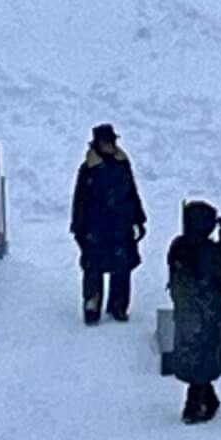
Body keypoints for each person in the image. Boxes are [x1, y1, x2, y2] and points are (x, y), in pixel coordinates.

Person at [168, 201, 221, 425]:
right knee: (204, 358)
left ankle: (208, 398)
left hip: (186, 313)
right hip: (209, 315)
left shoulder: (178, 247)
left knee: (193, 356)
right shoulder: (210, 253)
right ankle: (195, 406)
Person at [71, 122, 145, 326]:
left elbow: (132, 192)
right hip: (96, 227)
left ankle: (118, 306)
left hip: (121, 225)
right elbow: (80, 201)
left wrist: (139, 218)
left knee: (122, 267)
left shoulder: (122, 164)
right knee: (93, 268)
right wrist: (79, 229)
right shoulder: (88, 170)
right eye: (107, 142)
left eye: (112, 141)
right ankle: (92, 306)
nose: (111, 145)